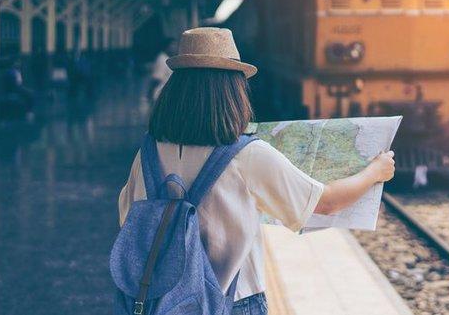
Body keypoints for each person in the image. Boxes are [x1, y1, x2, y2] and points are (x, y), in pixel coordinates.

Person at [118, 28, 395, 314]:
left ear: (175, 91)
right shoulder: (246, 155)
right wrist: (376, 170)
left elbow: (129, 217)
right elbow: (326, 202)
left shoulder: (148, 153)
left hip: (158, 302)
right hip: (234, 301)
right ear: (232, 91)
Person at [148, 37, 176, 102]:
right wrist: (149, 94)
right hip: (160, 94)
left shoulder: (167, 58)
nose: (174, 47)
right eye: (172, 45)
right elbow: (156, 79)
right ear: (166, 46)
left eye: (175, 45)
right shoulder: (162, 60)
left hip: (165, 94)